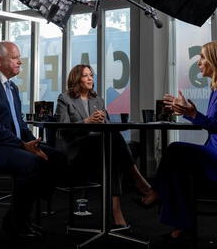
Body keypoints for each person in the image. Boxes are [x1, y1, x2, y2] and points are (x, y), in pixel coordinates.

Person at [142, 40, 217, 243]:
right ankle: (180, 226)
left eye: (202, 57)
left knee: (175, 149)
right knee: (178, 167)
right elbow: (213, 123)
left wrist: (193, 114)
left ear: (215, 60)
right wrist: (187, 112)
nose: (199, 63)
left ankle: (156, 192)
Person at [0, 41, 66, 242]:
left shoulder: (12, 88)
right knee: (32, 163)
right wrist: (22, 146)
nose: (20, 62)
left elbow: (20, 124)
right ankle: (18, 221)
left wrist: (31, 142)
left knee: (57, 158)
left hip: (10, 146)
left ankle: (18, 214)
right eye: (15, 57)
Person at [55, 64, 151, 228]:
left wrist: (102, 121)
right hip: (77, 150)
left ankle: (116, 208)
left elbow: (107, 126)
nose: (91, 78)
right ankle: (138, 181)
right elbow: (62, 129)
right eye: (86, 75)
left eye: (91, 75)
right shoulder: (65, 99)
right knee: (111, 143)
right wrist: (87, 121)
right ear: (76, 78)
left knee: (111, 149)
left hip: (99, 148)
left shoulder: (97, 100)